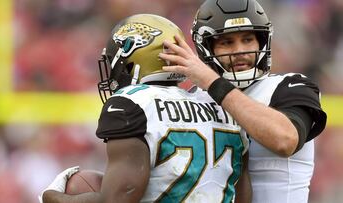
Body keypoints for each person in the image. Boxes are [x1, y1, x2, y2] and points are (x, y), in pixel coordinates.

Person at [40, 14, 252, 203]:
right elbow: (242, 195)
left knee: (78, 184)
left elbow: (118, 199)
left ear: (133, 60)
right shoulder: (223, 103)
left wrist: (55, 197)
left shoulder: (133, 103)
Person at [158, 0, 327, 203]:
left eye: (248, 39)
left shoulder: (290, 86)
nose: (240, 50)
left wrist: (212, 82)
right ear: (207, 48)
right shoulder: (195, 98)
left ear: (262, 41)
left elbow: (285, 140)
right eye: (227, 42)